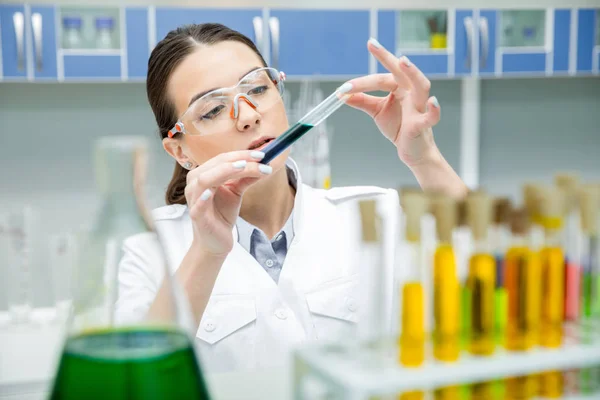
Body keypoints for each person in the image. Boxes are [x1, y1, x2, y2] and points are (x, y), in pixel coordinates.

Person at [115, 23, 468, 373]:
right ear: (179, 151)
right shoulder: (149, 248)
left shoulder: (373, 214)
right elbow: (130, 381)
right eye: (213, 110)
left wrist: (424, 158)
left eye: (256, 88)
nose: (249, 116)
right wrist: (206, 253)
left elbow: (489, 282)